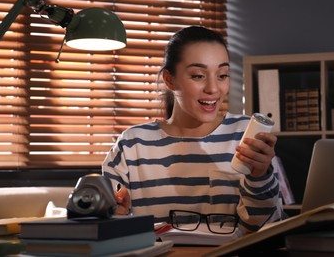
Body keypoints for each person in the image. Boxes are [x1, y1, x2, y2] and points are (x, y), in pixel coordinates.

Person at [102, 25, 284, 235]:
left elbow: (264, 229)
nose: (213, 89)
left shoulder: (246, 135)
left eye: (222, 75)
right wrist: (114, 216)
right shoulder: (132, 144)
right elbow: (110, 226)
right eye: (198, 76)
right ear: (170, 80)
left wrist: (260, 176)